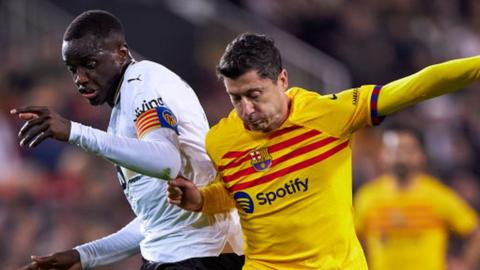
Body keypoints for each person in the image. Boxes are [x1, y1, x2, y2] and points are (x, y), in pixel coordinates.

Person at [167, 32, 480, 270]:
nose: (246, 109)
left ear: (282, 80)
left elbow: (416, 86)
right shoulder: (220, 140)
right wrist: (203, 200)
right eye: (235, 98)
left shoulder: (330, 115)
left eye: (254, 94)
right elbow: (241, 192)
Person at [12, 10, 243, 270]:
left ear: (121, 53)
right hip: (182, 256)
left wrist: (74, 132)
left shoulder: (141, 83)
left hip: (198, 257)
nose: (80, 79)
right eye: (72, 69)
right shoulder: (125, 105)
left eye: (89, 64)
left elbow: (166, 161)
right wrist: (84, 255)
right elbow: (159, 220)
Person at [354, 128, 480, 270]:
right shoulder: (367, 197)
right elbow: (351, 238)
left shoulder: (437, 195)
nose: (399, 156)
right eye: (393, 150)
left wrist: (465, 265)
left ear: (421, 155)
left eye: (406, 150)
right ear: (382, 154)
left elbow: (475, 232)